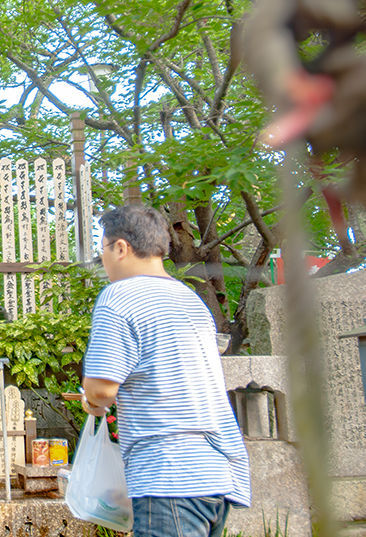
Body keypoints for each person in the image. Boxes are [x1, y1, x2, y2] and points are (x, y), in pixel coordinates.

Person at [81, 205, 251, 537]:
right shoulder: (189, 299)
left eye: (103, 249)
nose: (103, 259)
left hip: (170, 473)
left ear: (120, 248)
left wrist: (91, 401)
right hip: (218, 475)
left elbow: (101, 389)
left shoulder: (119, 296)